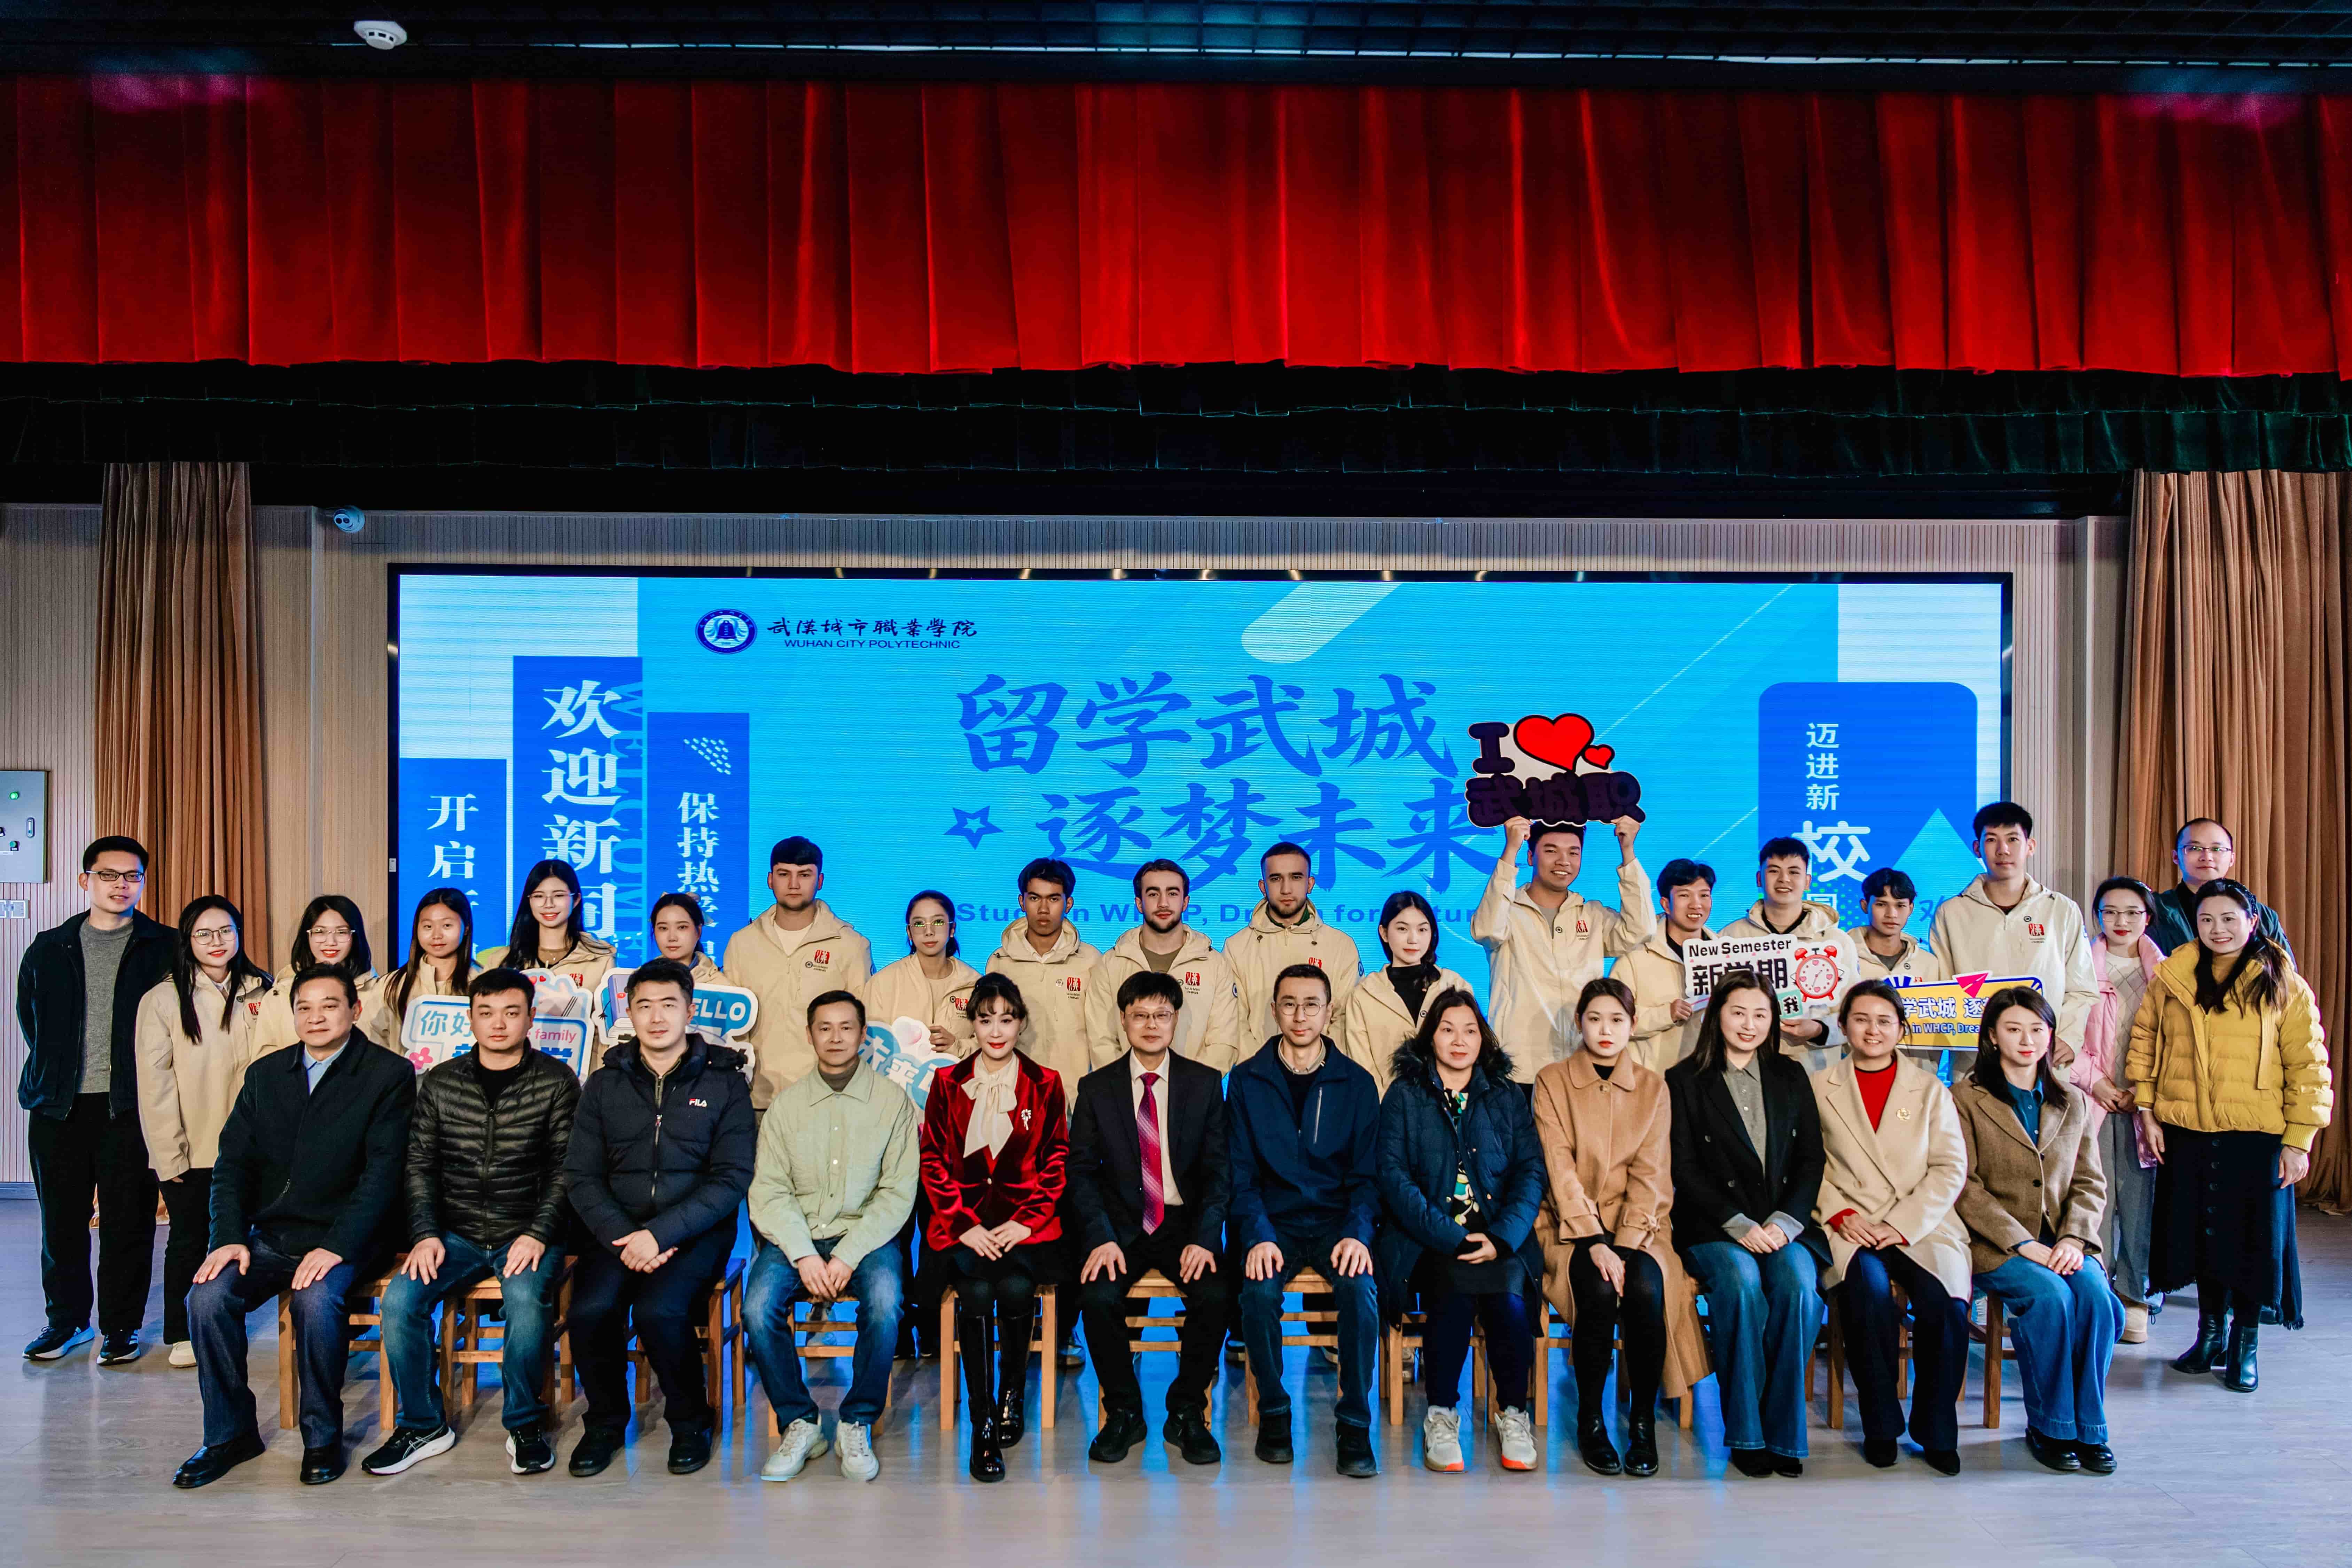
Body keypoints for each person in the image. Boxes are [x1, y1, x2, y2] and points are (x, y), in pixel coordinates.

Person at [173, 966, 416, 1489]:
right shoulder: (267, 1074)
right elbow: (232, 1165)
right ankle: (230, 1434)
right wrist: (228, 1237)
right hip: (273, 1235)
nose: (316, 1017)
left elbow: (383, 1175)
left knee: (315, 1299)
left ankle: (322, 1437)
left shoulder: (388, 1074)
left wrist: (337, 1245)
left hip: (348, 1237)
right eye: (304, 1007)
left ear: (355, 1009)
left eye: (330, 1005)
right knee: (207, 1298)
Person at [361, 967, 580, 1479]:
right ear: (471, 1019)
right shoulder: (441, 1082)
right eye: (486, 1012)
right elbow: (419, 1166)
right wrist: (424, 1234)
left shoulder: (556, 1081)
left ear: (530, 1018)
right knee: (400, 1301)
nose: (498, 1023)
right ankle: (422, 1424)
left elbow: (566, 1170)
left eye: (511, 1012)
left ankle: (525, 1423)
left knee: (524, 1301)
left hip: (526, 1232)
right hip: (453, 1233)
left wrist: (538, 1233)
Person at [2129, 879, 2331, 1396]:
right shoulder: (2172, 975)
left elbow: (2309, 1065)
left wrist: (2298, 1140)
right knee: (2202, 1237)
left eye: (2228, 919)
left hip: (2257, 1133)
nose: (2216, 929)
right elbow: (2145, 1042)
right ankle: (2210, 1335)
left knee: (2249, 1242)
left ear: (2251, 922)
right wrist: (2147, 1110)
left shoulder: (2282, 980)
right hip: (2187, 1129)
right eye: (2205, 919)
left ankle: (2244, 1343)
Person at [562, 958, 756, 1479]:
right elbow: (580, 1174)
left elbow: (731, 1178)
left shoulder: (725, 1082)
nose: (656, 1017)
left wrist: (660, 1234)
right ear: (628, 1012)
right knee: (591, 1310)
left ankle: (690, 1421)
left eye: (669, 1004)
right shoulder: (604, 1084)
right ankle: (605, 1421)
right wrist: (625, 1234)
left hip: (694, 1231)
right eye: (644, 1005)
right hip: (618, 1230)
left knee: (660, 1311)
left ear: (690, 1011)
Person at [1532, 977, 1706, 1479]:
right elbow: (1558, 1168)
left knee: (1646, 1287)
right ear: (1578, 1023)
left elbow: (1652, 1176)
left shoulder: (1653, 1087)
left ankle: (1641, 1423)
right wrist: (1593, 1240)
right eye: (1594, 1019)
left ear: (1632, 1025)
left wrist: (1625, 1247)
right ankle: (1590, 1419)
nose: (1605, 1030)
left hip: (1641, 1227)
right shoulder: (1551, 1080)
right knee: (1597, 1289)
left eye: (1616, 1020)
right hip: (1569, 1225)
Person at [746, 990, 919, 1484]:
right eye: (825, 1028)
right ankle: (799, 1421)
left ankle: (856, 1420)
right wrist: (803, 1254)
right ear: (810, 1035)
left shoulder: (892, 1102)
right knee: (757, 1307)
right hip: (797, 1235)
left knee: (884, 1301)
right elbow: (770, 1190)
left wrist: (846, 1254)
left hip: (865, 1235)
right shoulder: (786, 1106)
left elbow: (897, 1191)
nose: (836, 1037)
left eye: (846, 1027)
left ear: (863, 1035)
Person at [16, 835, 174, 1365]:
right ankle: (67, 1323)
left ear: (143, 883)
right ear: (86, 880)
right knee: (60, 1222)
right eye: (109, 874)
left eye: (132, 876)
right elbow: (31, 1019)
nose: (121, 885)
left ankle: (121, 1327)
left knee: (129, 1222)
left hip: (130, 1106)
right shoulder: (49, 946)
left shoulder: (164, 946)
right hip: (57, 1106)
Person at [1665, 970, 1828, 1477]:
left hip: (1781, 1224)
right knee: (1739, 1284)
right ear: (1716, 1015)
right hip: (1712, 1225)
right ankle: (1747, 1433)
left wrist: (1785, 1223)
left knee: (1798, 1286)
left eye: (1760, 1014)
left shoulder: (1789, 1074)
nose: (1749, 1024)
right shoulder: (1683, 1079)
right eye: (1738, 1012)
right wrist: (1736, 1223)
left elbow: (1811, 1159)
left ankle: (1784, 1434)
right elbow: (1682, 1166)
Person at [1375, 988, 1543, 1475]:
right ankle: (1441, 1413)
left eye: (1469, 1030)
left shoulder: (1506, 1095)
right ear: (1430, 1037)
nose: (1458, 1040)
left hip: (1500, 1236)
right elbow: (1393, 1177)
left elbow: (1530, 1172)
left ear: (1482, 1038)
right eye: (1447, 1029)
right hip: (1427, 1238)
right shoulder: (1404, 1095)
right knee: (1450, 1291)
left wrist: (1502, 1236)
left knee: (1510, 1302)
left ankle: (1513, 1413)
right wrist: (1449, 1236)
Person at [1953, 987, 2120, 1473]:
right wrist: (2023, 1243)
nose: (2026, 1040)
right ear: (1991, 1036)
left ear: (2050, 1035)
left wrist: (2072, 1238)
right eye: (2013, 1029)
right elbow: (1964, 1185)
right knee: (2051, 1297)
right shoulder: (1964, 1098)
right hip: (1998, 1243)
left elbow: (2089, 1181)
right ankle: (2050, 1426)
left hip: (2064, 1241)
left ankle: (2089, 1428)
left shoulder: (2071, 1100)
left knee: (2096, 1298)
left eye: (2036, 1029)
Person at [1068, 970, 1232, 1467]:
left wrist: (1206, 1237)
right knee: (1096, 1294)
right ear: (1123, 1020)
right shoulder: (1096, 1087)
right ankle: (1123, 1410)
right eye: (1139, 1015)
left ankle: (1186, 1409)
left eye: (1161, 1015)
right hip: (1120, 1227)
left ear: (1176, 1019)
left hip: (1184, 1225)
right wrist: (1099, 1236)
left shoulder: (1204, 1084)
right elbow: (1080, 1173)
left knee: (1216, 1293)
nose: (1151, 1024)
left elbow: (1219, 1172)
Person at [1226, 963, 1382, 1479]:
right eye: (1289, 1004)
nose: (1300, 1015)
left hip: (1338, 1220)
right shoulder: (1246, 1080)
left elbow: (1367, 1178)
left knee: (1360, 1291)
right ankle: (1274, 1412)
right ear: (1273, 1010)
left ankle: (1354, 1423)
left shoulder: (1356, 1083)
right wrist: (1257, 1235)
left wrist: (1357, 1234)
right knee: (1257, 1293)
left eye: (1311, 1004)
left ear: (1329, 1011)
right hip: (1274, 1222)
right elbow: (1241, 1174)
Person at [1811, 980, 1971, 1475]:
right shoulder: (1818, 1087)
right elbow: (1805, 1165)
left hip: (1920, 1221)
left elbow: (1949, 1167)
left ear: (1900, 1029)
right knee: (1868, 1294)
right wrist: (1840, 1214)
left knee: (1945, 1305)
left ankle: (1936, 1431)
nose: (1872, 1030)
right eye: (1860, 1019)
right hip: (1850, 1222)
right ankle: (1880, 1426)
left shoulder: (1929, 1089)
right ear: (1843, 1026)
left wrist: (1900, 1224)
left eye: (1884, 1021)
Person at [919, 973, 1069, 1483]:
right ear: (973, 1025)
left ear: (1021, 1023)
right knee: (978, 1292)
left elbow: (1056, 1159)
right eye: (986, 1020)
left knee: (1018, 1287)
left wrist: (1024, 1222)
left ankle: (1012, 1396)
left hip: (1025, 1229)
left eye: (1006, 1019)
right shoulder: (946, 1082)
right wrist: (963, 1225)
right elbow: (932, 1160)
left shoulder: (1046, 1083)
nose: (997, 1030)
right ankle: (982, 1422)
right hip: (963, 1228)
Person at [133, 895, 273, 1368]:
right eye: (204, 933)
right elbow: (155, 1086)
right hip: (194, 1147)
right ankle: (182, 1331)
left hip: (254, 1147)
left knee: (243, 1240)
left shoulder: (263, 991)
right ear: (187, 941)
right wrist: (168, 1154)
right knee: (190, 1239)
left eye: (226, 931)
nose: (217, 941)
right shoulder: (162, 999)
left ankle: (225, 1321)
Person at [1473, 813, 1651, 1079]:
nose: (1563, 861)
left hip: (1581, 1062)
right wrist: (1510, 851)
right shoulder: (1506, 911)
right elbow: (1485, 930)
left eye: (1573, 852)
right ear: (1531, 856)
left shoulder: (1592, 914)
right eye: (1551, 851)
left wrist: (1628, 851)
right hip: (1518, 1067)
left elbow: (1641, 930)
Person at [1927, 803, 2097, 1064]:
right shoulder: (1951, 913)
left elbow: (2082, 988)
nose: (2003, 850)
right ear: (1977, 848)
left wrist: (2067, 1037)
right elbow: (1940, 991)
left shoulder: (2061, 909)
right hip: (1976, 1057)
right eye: (1992, 840)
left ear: (2030, 846)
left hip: (2044, 1055)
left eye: (2013, 839)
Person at [2075, 876, 2164, 1342]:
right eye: (2110, 912)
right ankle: (2097, 1293)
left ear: (2147, 918)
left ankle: (2134, 1296)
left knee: (2139, 1203)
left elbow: (2174, 1043)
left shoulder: (2167, 974)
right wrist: (2098, 1083)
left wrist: (2141, 1091)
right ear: (2097, 916)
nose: (2121, 921)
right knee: (2094, 1201)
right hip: (2091, 1098)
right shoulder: (2077, 966)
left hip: (2145, 1105)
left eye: (2132, 912)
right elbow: (2062, 1036)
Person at [723, 836, 874, 1111]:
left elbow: (865, 1024)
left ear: (820, 881)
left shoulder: (851, 945)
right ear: (770, 880)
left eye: (804, 875)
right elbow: (729, 1025)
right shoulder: (742, 943)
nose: (794, 884)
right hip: (754, 1098)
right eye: (784, 874)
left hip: (826, 1098)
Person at [1086, 859, 1241, 1073]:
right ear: (1139, 903)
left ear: (1185, 902)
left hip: (1194, 1090)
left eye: (1172, 893)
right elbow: (1101, 1040)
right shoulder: (1111, 963)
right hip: (1124, 1090)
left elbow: (1223, 1041)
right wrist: (1128, 1086)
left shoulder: (1214, 964)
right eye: (1153, 894)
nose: (1163, 904)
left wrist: (1192, 1086)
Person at [984, 858, 1102, 1106]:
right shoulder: (999, 962)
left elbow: (1103, 1034)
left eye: (1054, 899)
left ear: (1068, 903)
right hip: (1014, 1098)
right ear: (1022, 902)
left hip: (1075, 1099)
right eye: (1035, 898)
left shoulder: (1091, 961)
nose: (1044, 909)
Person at [1225, 841, 1363, 1046]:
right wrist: (1260, 1063)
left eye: (1296, 877)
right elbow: (1233, 1021)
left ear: (1310, 884)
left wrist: (1322, 1061)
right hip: (1257, 1065)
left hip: (1325, 1065)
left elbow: (1346, 1018)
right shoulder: (1236, 947)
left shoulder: (1341, 945)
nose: (1286, 889)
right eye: (1276, 879)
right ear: (1263, 887)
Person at [1722, 836, 1845, 1064]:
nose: (1784, 879)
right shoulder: (1730, 938)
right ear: (1759, 879)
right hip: (1744, 1063)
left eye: (1794, 872)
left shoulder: (1835, 941)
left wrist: (1819, 1029)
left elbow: (1854, 1013)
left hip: (1814, 1066)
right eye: (1774, 871)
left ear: (1807, 881)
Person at [1336, 890, 1474, 1093]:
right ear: (1384, 933)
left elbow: (1473, 1052)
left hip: (1452, 1105)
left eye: (1422, 930)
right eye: (1402, 929)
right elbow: (1362, 1068)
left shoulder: (1455, 986)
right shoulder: (1364, 995)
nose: (1413, 939)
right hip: (1388, 1106)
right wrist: (1389, 1107)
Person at [1619, 858, 1716, 1073]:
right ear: (1665, 904)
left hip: (1708, 1077)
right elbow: (1615, 1019)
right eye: (1684, 896)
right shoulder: (1635, 955)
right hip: (1652, 1078)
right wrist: (1666, 1014)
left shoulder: (1725, 954)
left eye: (1704, 895)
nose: (1696, 904)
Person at [253, 894, 386, 1052]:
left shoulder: (380, 994)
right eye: (320, 932)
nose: (331, 942)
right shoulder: (279, 996)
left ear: (355, 937)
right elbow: (264, 1062)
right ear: (307, 936)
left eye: (341, 932)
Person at [2147, 818, 2293, 961]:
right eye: (2195, 848)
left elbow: (2286, 972)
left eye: (2217, 849)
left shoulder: (2264, 916)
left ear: (2232, 859)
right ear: (2176, 857)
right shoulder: (2153, 911)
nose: (2207, 857)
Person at [477, 859, 618, 998]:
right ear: (529, 901)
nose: (549, 904)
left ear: (576, 900)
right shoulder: (499, 961)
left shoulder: (601, 959)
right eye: (539, 896)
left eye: (559, 895)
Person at [864, 889, 980, 1056]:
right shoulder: (882, 983)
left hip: (958, 1073)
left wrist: (958, 1046)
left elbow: (991, 1042)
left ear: (952, 929)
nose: (929, 932)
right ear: (909, 932)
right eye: (919, 924)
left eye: (938, 922)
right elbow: (867, 1044)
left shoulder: (975, 984)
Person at [368, 887, 476, 1051]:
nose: (437, 935)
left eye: (447, 925)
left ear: (466, 928)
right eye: (428, 927)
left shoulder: (483, 981)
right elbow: (369, 1040)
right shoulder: (390, 985)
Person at [1848, 868, 1949, 985]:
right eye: (1881, 905)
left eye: (1900, 906)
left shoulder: (1928, 963)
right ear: (1865, 906)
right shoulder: (1843, 956)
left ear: (1910, 909)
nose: (1892, 915)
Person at [649, 892, 724, 984]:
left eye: (682, 927)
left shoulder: (722, 987)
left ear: (699, 931)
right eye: (664, 928)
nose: (672, 938)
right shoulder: (639, 980)